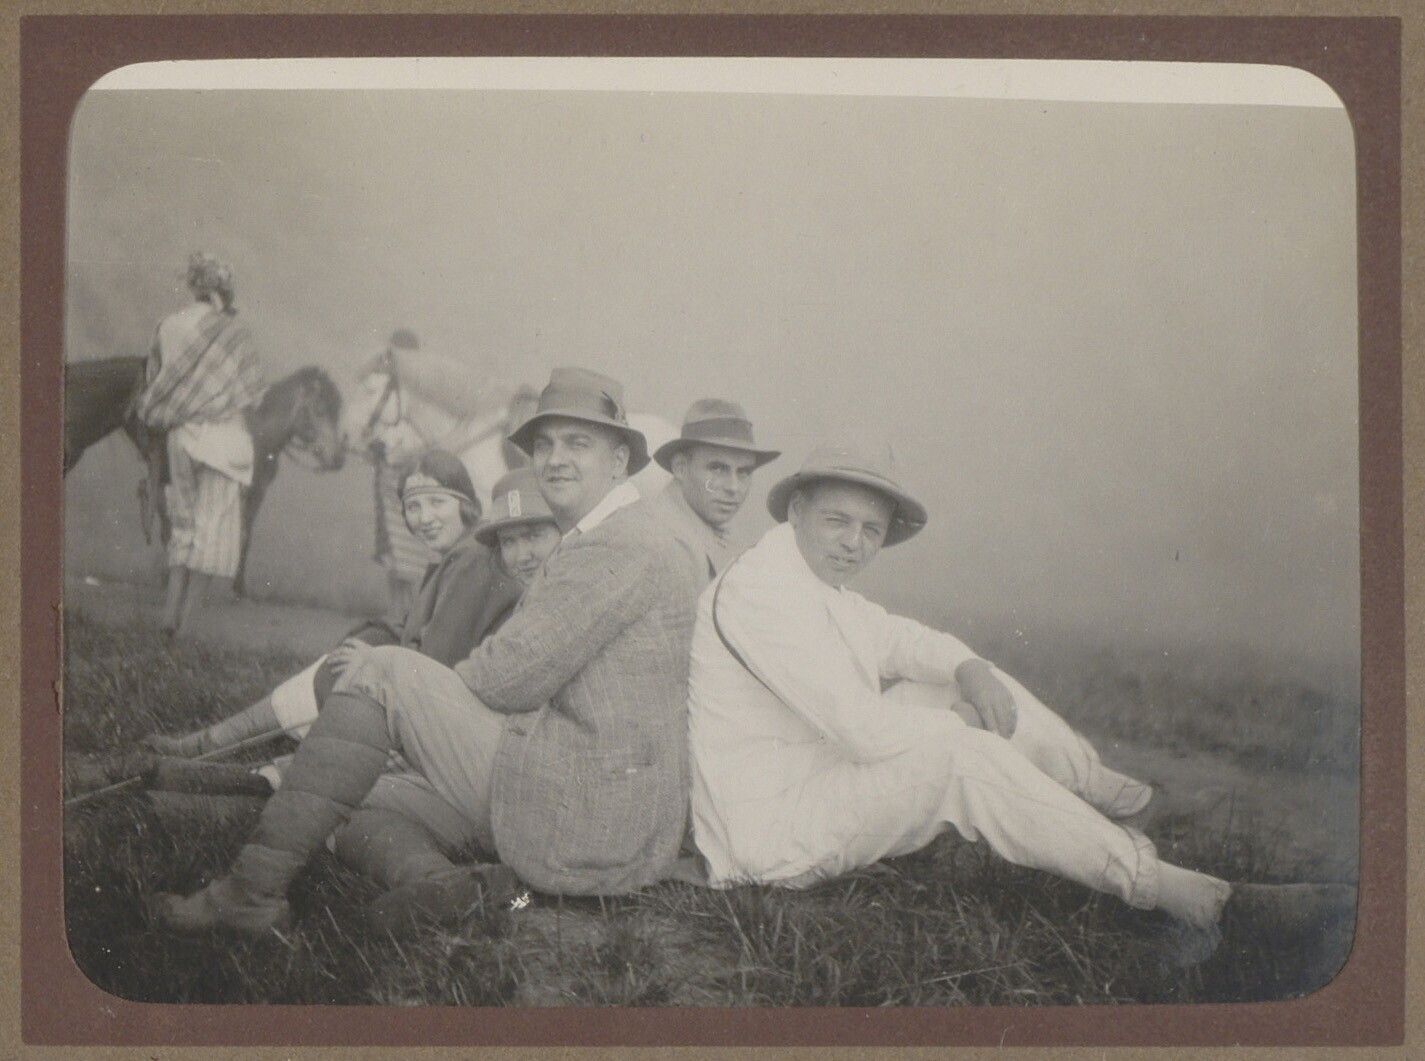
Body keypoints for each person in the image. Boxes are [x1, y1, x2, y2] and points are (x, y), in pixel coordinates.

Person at [686, 443, 1354, 964]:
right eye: (837, 520)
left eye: (871, 529)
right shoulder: (761, 591)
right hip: (769, 839)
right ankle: (1197, 899)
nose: (853, 543)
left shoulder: (812, 580)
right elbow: (863, 731)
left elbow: (898, 638)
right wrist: (956, 721)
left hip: (818, 781)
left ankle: (1115, 802)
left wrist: (970, 669)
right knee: (961, 756)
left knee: (972, 684)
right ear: (796, 510)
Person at [150, 367, 696, 935]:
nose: (555, 459)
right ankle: (448, 885)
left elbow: (505, 679)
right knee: (355, 792)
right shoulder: (614, 534)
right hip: (596, 803)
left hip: (588, 813)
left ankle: (247, 895)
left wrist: (417, 716)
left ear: (618, 461)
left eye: (577, 443)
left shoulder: (619, 545)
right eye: (544, 444)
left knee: (382, 673)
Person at [140, 451, 527, 762]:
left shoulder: (470, 559)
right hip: (439, 697)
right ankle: (210, 744)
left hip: (450, 715)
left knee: (334, 674)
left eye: (437, 503)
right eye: (413, 507)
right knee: (343, 661)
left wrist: (374, 658)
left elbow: (438, 660)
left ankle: (205, 746)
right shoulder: (462, 553)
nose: (424, 518)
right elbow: (417, 628)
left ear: (466, 504)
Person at [133, 253, 266, 636]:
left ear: (194, 286)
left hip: (180, 436)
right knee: (214, 529)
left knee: (184, 523)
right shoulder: (234, 332)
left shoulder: (167, 325)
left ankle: (168, 617)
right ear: (224, 289)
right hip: (223, 440)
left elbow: (155, 378)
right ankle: (187, 630)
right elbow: (251, 392)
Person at [645, 399, 780, 601]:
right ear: (680, 467)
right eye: (717, 468)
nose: (733, 487)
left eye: (744, 472)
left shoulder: (717, 536)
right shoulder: (650, 539)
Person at [359, 328, 438, 616]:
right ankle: (398, 613)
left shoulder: (421, 395)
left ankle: (414, 615)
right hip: (387, 479)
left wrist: (400, 452)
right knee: (394, 552)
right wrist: (375, 446)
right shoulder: (386, 388)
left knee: (414, 550)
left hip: (411, 480)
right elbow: (375, 427)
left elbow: (427, 440)